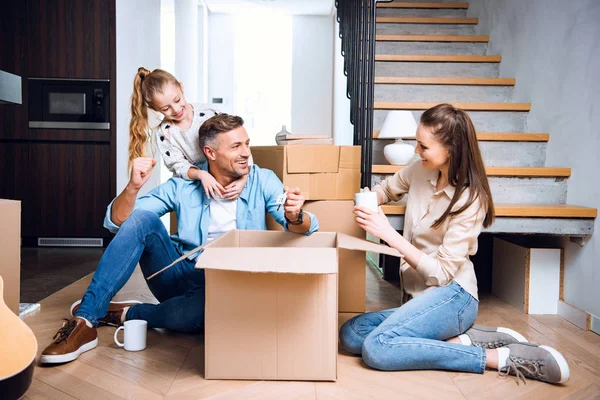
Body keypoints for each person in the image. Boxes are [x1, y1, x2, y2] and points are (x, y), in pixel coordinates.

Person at [40, 113, 318, 364]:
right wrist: (133, 187)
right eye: (236, 147)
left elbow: (305, 227)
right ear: (210, 152)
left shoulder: (262, 180)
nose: (246, 153)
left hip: (231, 282)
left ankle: (128, 314)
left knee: (195, 318)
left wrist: (295, 215)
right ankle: (85, 322)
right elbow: (117, 222)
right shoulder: (184, 185)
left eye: (246, 143)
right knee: (142, 220)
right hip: (182, 272)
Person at [340, 104, 570, 385]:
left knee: (377, 348)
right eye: (416, 142)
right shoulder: (418, 171)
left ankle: (502, 358)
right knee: (351, 334)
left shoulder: (471, 199)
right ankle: (465, 340)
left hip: (453, 296)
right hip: (417, 298)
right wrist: (368, 200)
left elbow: (441, 273)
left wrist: (387, 234)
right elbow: (387, 190)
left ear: (450, 149)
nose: (416, 150)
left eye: (423, 146)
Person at [129, 67, 246, 200]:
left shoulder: (209, 112)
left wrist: (243, 178)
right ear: (155, 109)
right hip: (194, 183)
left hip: (226, 175)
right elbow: (178, 165)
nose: (176, 109)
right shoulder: (164, 133)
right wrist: (202, 175)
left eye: (177, 100)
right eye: (165, 109)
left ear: (181, 88)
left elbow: (239, 144)